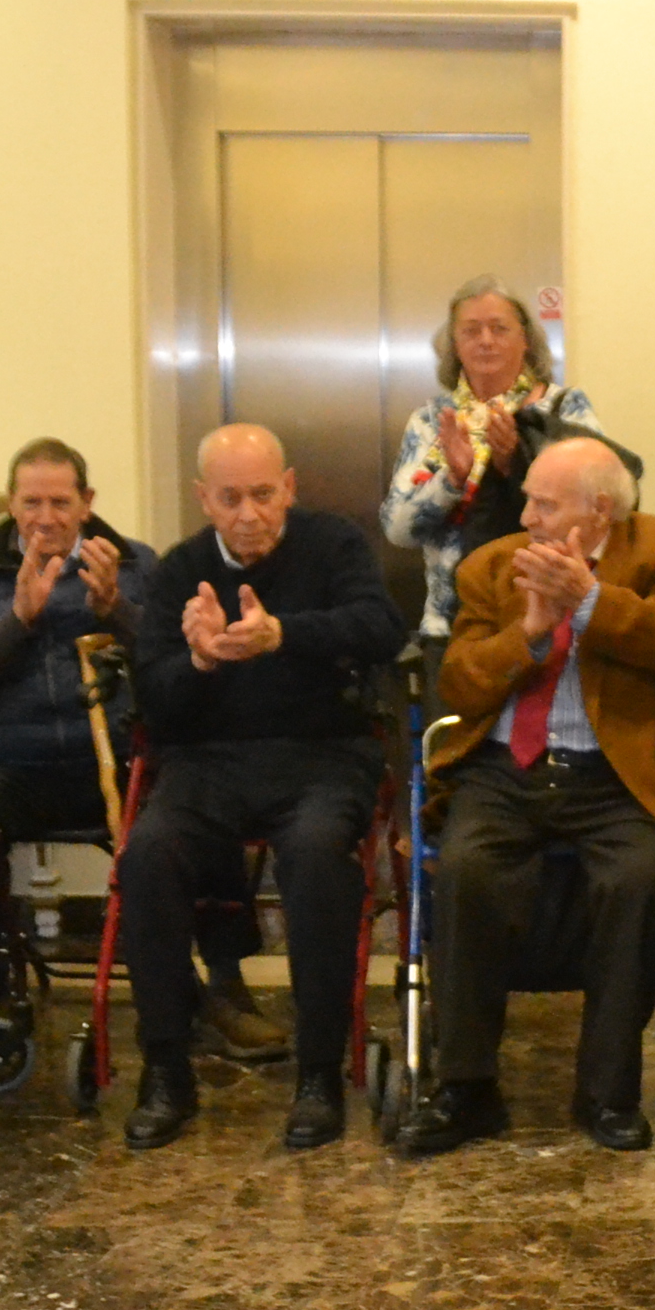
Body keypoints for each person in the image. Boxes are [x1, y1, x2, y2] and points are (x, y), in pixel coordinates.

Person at [398, 435, 655, 1157]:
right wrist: (530, 634)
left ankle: (608, 1093)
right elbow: (460, 683)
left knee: (636, 880)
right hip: (501, 770)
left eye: (544, 503)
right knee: (467, 870)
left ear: (598, 510)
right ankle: (466, 1088)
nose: (527, 516)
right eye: (528, 500)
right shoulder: (491, 565)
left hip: (612, 774)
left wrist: (592, 602)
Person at [0, 437, 285, 1061]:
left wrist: (115, 608)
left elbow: (180, 657)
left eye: (60, 502)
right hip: (8, 769)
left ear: (87, 502)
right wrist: (16, 621)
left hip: (123, 759)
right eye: (31, 503)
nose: (45, 518)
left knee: (201, 804)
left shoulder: (137, 565)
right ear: (10, 503)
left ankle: (225, 987)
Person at [120, 423, 406, 1155]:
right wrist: (200, 661)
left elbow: (381, 627)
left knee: (315, 854)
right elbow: (155, 702)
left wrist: (283, 634)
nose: (248, 514)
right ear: (203, 499)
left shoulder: (334, 544)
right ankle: (166, 1068)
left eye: (263, 494)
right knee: (148, 854)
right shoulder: (181, 570)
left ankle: (318, 1071)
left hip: (323, 754)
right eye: (230, 498)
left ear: (290, 488)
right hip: (208, 761)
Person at [381, 275, 613, 642]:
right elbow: (398, 531)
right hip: (453, 626)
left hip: (555, 619)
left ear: (526, 340)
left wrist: (513, 464)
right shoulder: (431, 420)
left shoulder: (564, 408)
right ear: (455, 345)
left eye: (499, 328)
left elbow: (596, 512)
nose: (486, 340)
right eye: (471, 331)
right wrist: (451, 481)